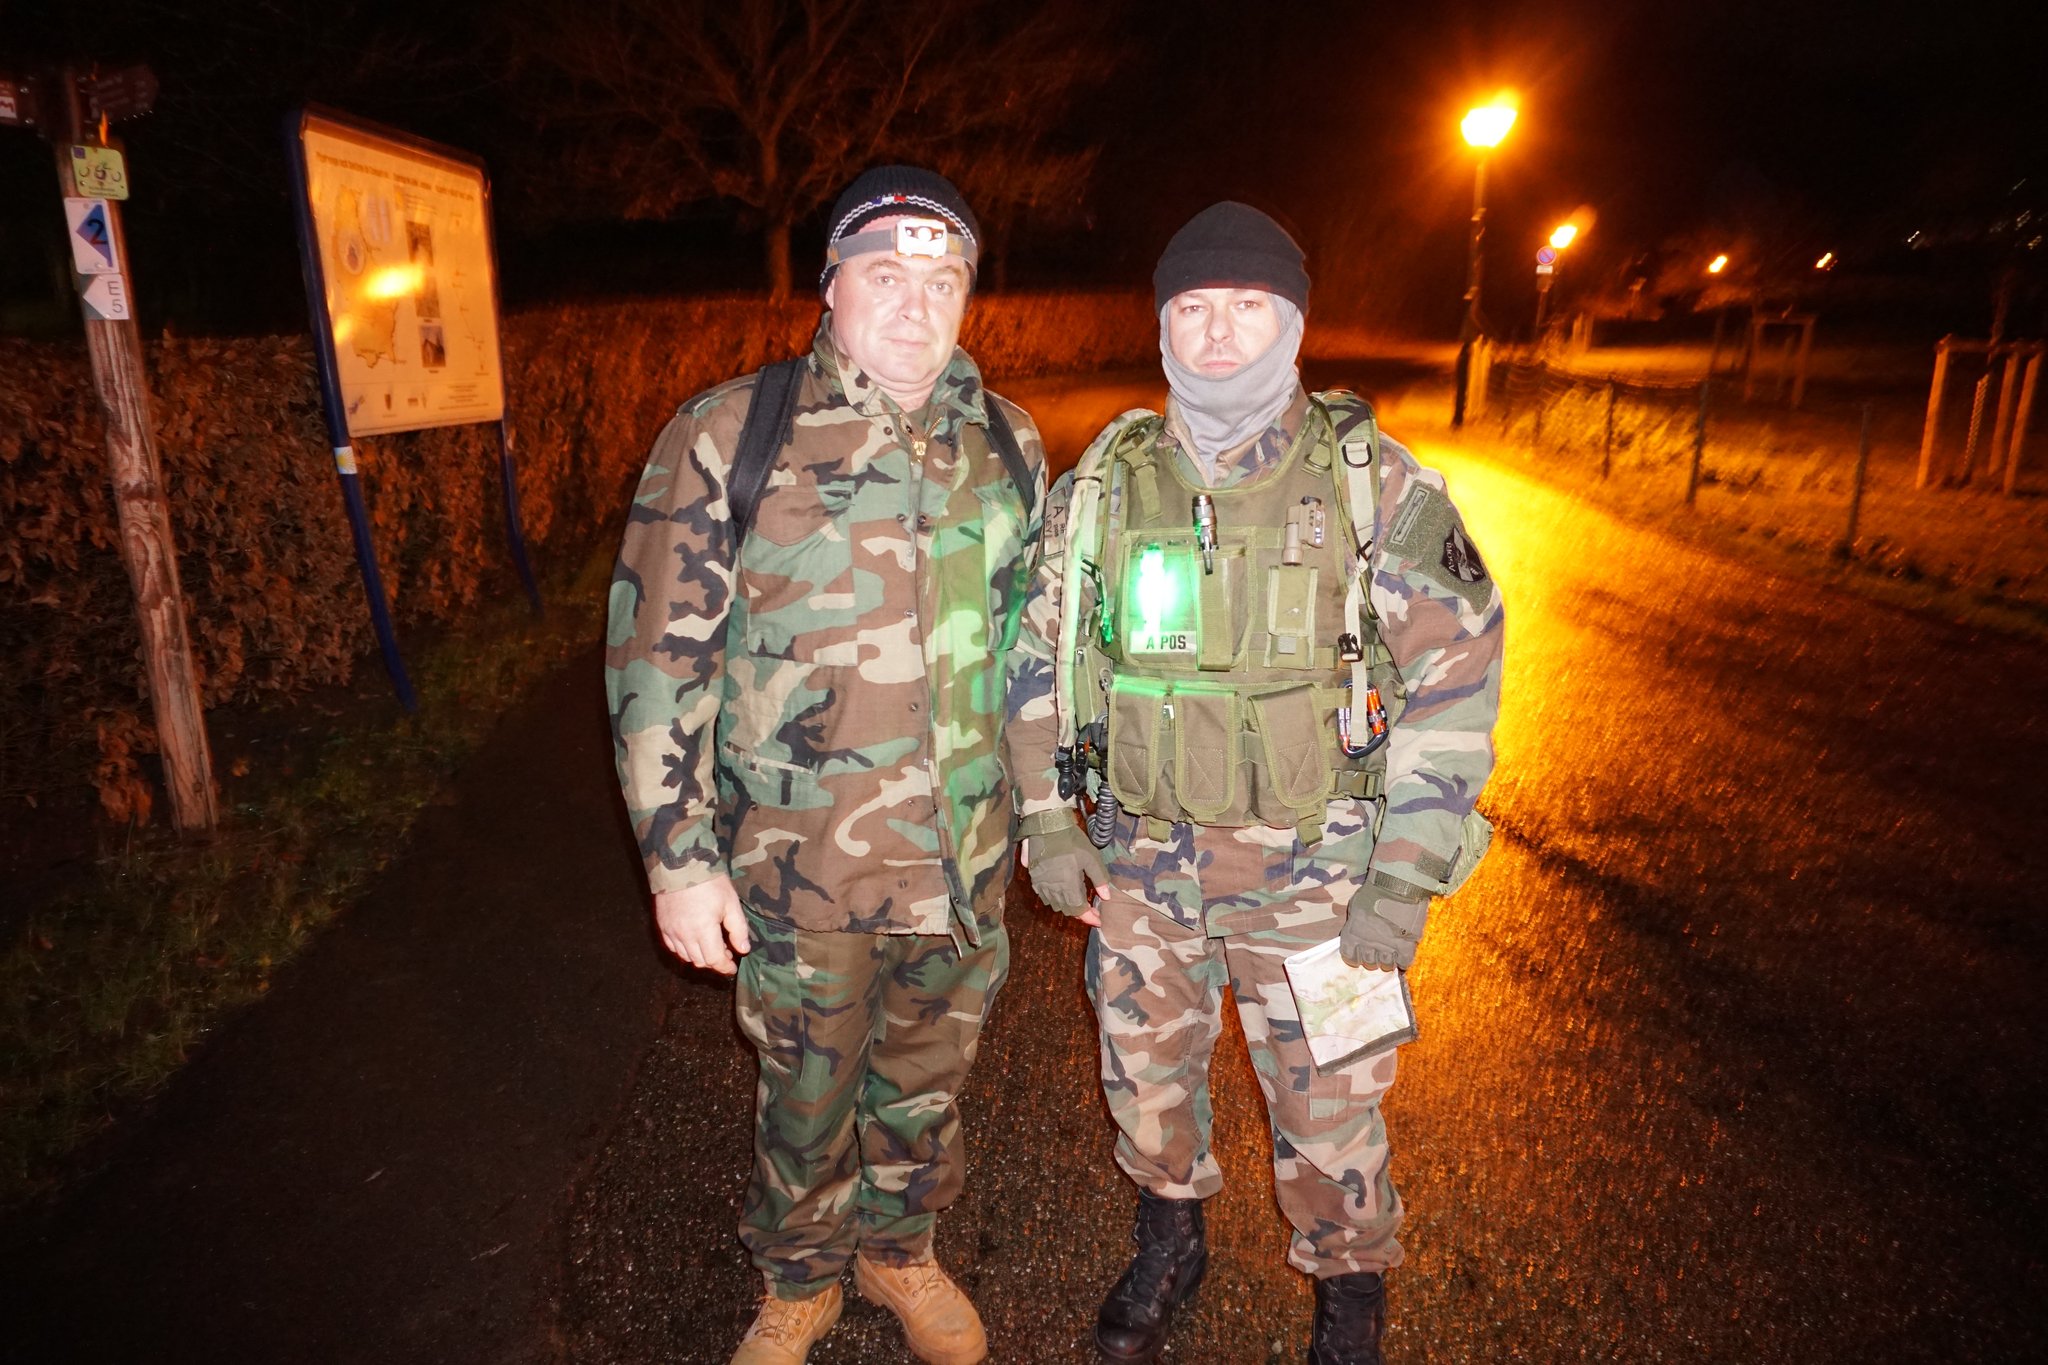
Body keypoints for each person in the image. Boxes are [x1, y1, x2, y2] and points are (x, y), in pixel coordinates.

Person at [1008, 202, 1504, 1364]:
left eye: (1246, 306)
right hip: (1141, 865)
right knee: (1144, 1083)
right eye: (1193, 307)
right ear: (1162, 325)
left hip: (1319, 875)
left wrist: (1403, 878)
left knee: (1333, 1101)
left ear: (1291, 323)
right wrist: (1043, 819)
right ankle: (1168, 1238)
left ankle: (1348, 1294)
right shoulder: (1102, 486)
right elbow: (1036, 654)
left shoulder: (1372, 483)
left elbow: (1455, 673)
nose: (1218, 331)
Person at [605, 165, 1046, 1365]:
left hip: (960, 856)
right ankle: (798, 1278)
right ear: (830, 286)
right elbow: (657, 661)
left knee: (925, 1078)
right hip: (799, 863)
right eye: (884, 275)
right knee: (805, 1089)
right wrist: (678, 861)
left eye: (941, 281)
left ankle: (900, 1251)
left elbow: (1033, 658)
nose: (914, 304)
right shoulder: (730, 434)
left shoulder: (1007, 445)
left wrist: (1052, 820)